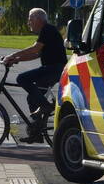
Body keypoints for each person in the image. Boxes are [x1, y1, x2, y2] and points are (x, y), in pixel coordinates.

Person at [4, 8, 67, 143]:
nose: (28, 22)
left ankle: (45, 106)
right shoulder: (47, 31)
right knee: (32, 98)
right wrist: (17, 60)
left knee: (22, 78)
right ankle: (37, 133)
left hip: (53, 69)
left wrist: (12, 55)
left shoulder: (47, 30)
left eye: (30, 19)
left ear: (39, 19)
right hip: (53, 69)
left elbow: (35, 48)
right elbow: (36, 54)